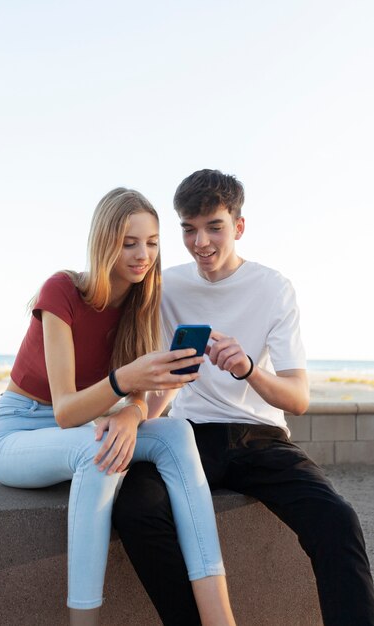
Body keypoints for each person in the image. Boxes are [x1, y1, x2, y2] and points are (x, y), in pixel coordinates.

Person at [113, 170, 374, 626]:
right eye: (189, 229)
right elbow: (157, 382)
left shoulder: (273, 288)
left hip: (262, 438)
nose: (201, 242)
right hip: (189, 436)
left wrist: (249, 369)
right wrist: (136, 415)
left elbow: (297, 398)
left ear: (238, 226)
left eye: (214, 226)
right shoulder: (166, 286)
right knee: (136, 507)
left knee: (337, 519)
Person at [0, 187, 237, 626]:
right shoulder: (61, 291)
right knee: (100, 453)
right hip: (18, 431)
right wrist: (124, 383)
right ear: (105, 242)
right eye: (129, 242)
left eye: (153, 242)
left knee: (177, 432)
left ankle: (218, 617)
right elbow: (64, 410)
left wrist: (132, 409)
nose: (143, 255)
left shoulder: (140, 303)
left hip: (85, 426)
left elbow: (137, 399)